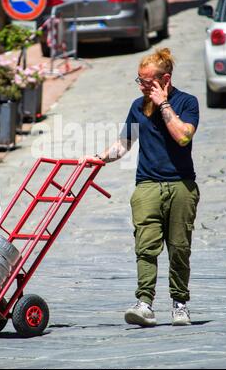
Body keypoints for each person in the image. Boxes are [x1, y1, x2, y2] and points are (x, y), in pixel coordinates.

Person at [79, 48, 200, 327]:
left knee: (179, 247)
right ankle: (144, 303)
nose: (142, 86)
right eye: (140, 80)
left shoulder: (187, 103)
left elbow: (183, 137)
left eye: (147, 81)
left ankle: (180, 304)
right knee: (145, 247)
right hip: (147, 185)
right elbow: (124, 143)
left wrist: (164, 105)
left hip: (181, 185)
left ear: (164, 79)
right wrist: (99, 158)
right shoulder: (137, 106)